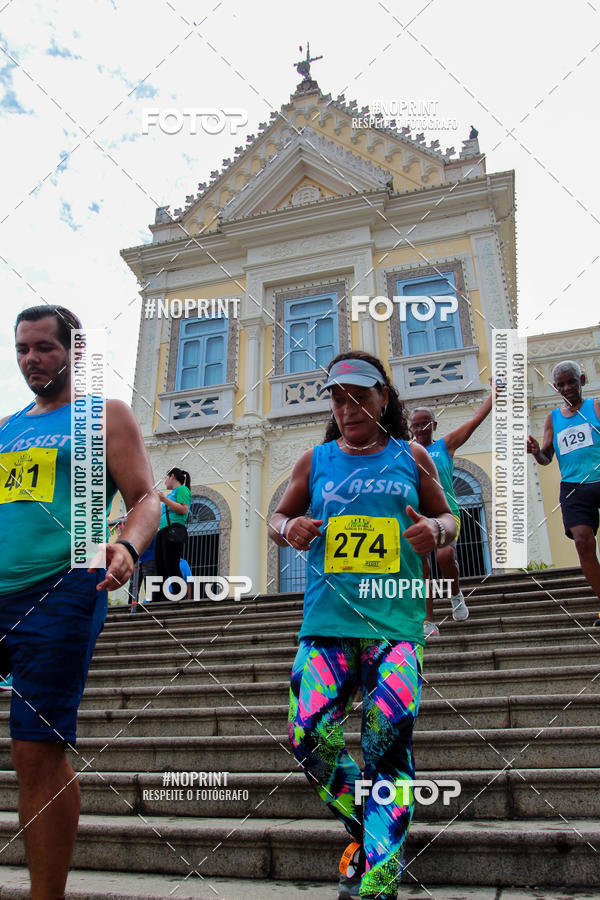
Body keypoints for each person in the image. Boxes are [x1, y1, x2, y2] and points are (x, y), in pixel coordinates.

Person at [268, 351, 456, 900]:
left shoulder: (412, 455)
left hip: (395, 624)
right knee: (308, 736)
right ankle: (371, 827)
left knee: (387, 747)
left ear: (383, 397)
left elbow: (449, 517)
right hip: (327, 623)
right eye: (337, 397)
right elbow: (278, 518)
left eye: (360, 395)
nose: (347, 407)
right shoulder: (315, 460)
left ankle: (378, 881)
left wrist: (436, 533)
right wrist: (290, 527)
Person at [0, 305, 160, 900]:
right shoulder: (6, 428)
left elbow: (146, 498)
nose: (31, 359)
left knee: (34, 749)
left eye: (44, 347)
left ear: (74, 351)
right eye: (22, 349)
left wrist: (126, 546)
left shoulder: (105, 414)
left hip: (64, 586)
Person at [410, 387, 493, 637]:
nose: (421, 429)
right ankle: (429, 620)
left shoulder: (445, 446)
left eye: (425, 424)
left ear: (434, 425)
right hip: (420, 517)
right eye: (416, 425)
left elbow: (474, 420)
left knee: (445, 556)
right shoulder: (407, 452)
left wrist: (494, 395)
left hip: (447, 513)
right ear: (410, 427)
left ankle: (455, 593)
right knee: (421, 566)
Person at [527, 360, 600, 620]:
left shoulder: (595, 406)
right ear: (556, 388)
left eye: (571, 381)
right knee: (582, 541)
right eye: (561, 384)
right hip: (573, 487)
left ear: (581, 380)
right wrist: (536, 451)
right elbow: (547, 458)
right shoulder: (553, 418)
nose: (567, 387)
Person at [155, 468, 191, 600]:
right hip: (163, 531)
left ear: (172, 476)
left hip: (173, 531)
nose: (164, 481)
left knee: (172, 566)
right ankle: (158, 599)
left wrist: (164, 499)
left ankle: (179, 597)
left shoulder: (182, 490)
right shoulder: (171, 495)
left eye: (165, 478)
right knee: (160, 567)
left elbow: (183, 509)